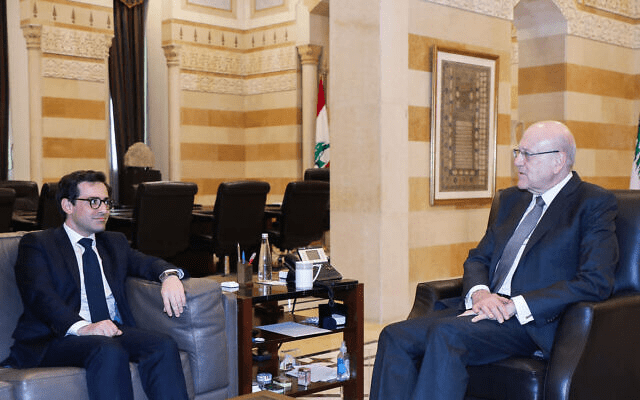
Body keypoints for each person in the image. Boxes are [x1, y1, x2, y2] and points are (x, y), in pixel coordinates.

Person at [370, 121, 619, 400]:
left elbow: (595, 281)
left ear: (558, 161)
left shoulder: (592, 203)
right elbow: (478, 258)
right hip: (486, 307)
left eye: (527, 154)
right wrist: (480, 294)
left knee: (447, 334)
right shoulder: (511, 200)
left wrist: (515, 305)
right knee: (394, 336)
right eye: (517, 152)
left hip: (531, 322)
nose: (518, 161)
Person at [2, 170, 190, 400]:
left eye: (106, 202)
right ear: (68, 205)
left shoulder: (114, 242)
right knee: (107, 349)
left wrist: (169, 276)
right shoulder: (39, 244)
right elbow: (40, 297)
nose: (103, 209)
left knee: (162, 345)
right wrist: (83, 327)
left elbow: (147, 263)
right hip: (56, 338)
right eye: (93, 202)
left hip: (109, 330)